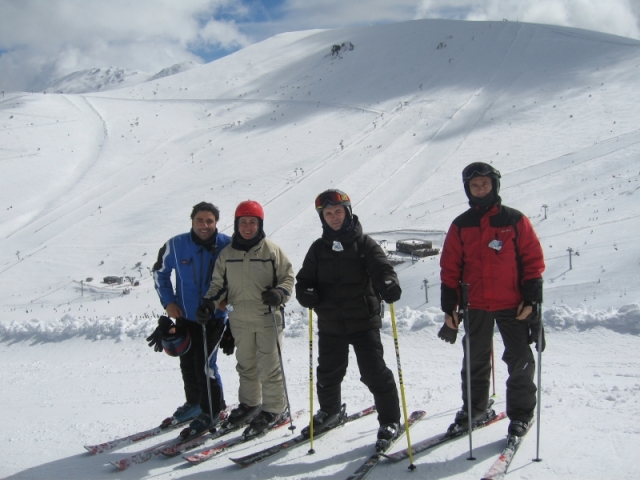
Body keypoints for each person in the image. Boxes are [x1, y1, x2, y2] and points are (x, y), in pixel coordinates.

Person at [438, 162, 545, 438]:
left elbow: (533, 262)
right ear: (468, 189)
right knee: (475, 361)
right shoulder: (461, 225)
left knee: (520, 360)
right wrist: (450, 307)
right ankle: (475, 408)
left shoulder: (514, 220)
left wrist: (531, 300)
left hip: (514, 305)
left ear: (494, 185)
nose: (480, 188)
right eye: (475, 185)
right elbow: (450, 268)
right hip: (475, 305)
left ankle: (520, 415)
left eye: (485, 183)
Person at [295, 189, 403, 451]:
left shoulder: (364, 244)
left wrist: (388, 283)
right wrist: (306, 292)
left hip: (363, 321)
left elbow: (382, 269)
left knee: (374, 373)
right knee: (328, 373)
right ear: (323, 217)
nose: (334, 217)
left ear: (348, 212)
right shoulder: (318, 249)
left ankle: (390, 420)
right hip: (331, 323)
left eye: (338, 212)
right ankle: (329, 412)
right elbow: (304, 280)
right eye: (328, 213)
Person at [200, 200, 295, 438]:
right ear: (236, 224)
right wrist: (208, 304)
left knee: (270, 367)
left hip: (267, 318)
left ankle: (274, 408)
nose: (248, 227)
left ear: (260, 224)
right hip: (239, 319)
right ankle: (251, 404)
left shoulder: (271, 251)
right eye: (244, 222)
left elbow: (288, 278)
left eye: (253, 222)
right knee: (246, 366)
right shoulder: (227, 254)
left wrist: (279, 293)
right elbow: (217, 285)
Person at [147, 201, 231, 436]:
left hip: (214, 317)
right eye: (199, 220)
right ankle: (195, 404)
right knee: (187, 363)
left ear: (216, 222)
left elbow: (238, 277)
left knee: (205, 365)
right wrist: (168, 302)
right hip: (185, 315)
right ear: (192, 221)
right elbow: (159, 272)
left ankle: (213, 410)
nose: (204, 225)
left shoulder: (228, 245)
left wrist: (226, 300)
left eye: (209, 221)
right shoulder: (176, 245)